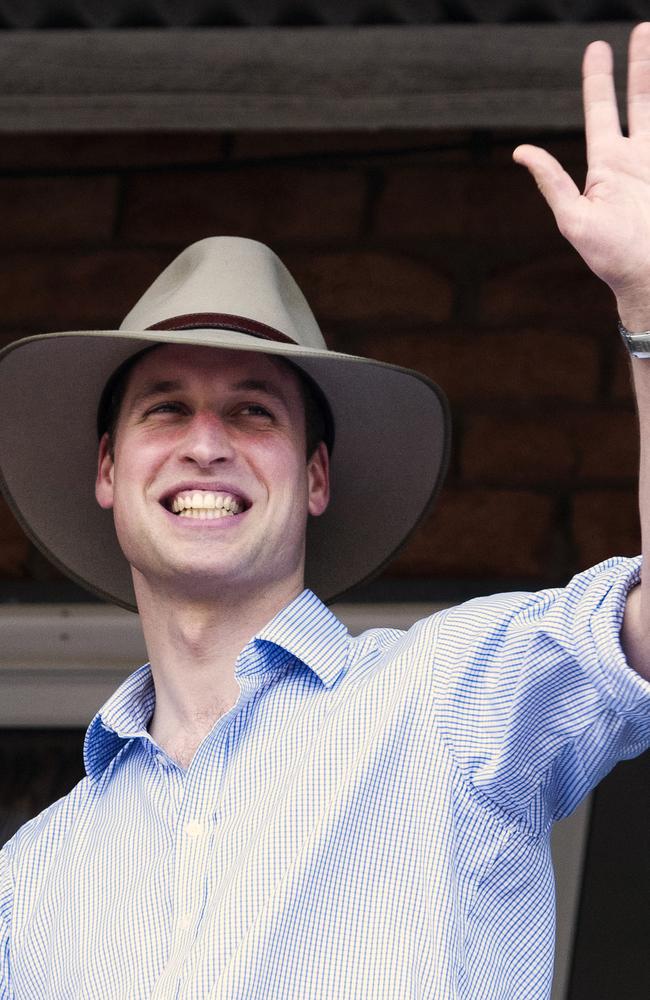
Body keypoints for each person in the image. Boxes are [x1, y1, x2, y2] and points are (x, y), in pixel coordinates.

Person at [0, 23, 649, 1000]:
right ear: (107, 467)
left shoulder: (447, 700)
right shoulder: (31, 876)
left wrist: (648, 305)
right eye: (165, 406)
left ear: (313, 476)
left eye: (252, 410)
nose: (205, 441)